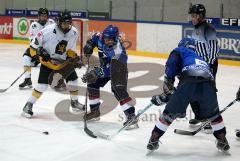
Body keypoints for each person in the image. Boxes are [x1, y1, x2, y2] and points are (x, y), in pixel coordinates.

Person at [147, 38, 230, 152]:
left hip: (189, 82)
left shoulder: (179, 50)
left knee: (169, 114)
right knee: (214, 115)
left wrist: (166, 95)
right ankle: (222, 140)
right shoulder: (199, 58)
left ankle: (153, 140)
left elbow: (171, 70)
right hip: (208, 84)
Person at [21, 11, 84, 118]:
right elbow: (32, 49)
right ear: (58, 22)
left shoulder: (74, 32)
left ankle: (74, 102)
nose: (66, 25)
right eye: (64, 23)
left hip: (63, 62)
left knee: (73, 80)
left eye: (68, 23)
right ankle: (28, 105)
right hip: (48, 62)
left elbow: (71, 50)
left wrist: (73, 59)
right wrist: (40, 52)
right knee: (42, 86)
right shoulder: (46, 31)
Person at [82, 25, 138, 129]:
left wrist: (97, 72)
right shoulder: (98, 37)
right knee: (92, 83)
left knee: (118, 90)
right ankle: (95, 112)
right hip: (105, 66)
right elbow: (92, 40)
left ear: (116, 38)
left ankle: (131, 116)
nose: (109, 42)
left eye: (112, 40)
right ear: (103, 36)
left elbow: (110, 70)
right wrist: (89, 45)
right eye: (107, 39)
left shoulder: (119, 51)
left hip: (118, 69)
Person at [188, 4, 220, 130]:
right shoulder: (195, 28)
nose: (192, 18)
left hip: (208, 65)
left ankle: (211, 118)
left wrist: (209, 66)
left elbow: (213, 49)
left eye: (194, 16)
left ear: (201, 16)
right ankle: (200, 116)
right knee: (191, 90)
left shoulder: (208, 28)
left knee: (207, 92)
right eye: (191, 16)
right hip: (197, 64)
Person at [19, 8, 55, 89]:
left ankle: (56, 80)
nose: (43, 17)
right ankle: (27, 79)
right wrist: (38, 49)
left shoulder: (52, 23)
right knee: (26, 57)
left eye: (45, 16)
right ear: (38, 16)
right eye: (42, 16)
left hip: (49, 49)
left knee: (54, 62)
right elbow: (32, 40)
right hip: (37, 49)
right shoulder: (34, 25)